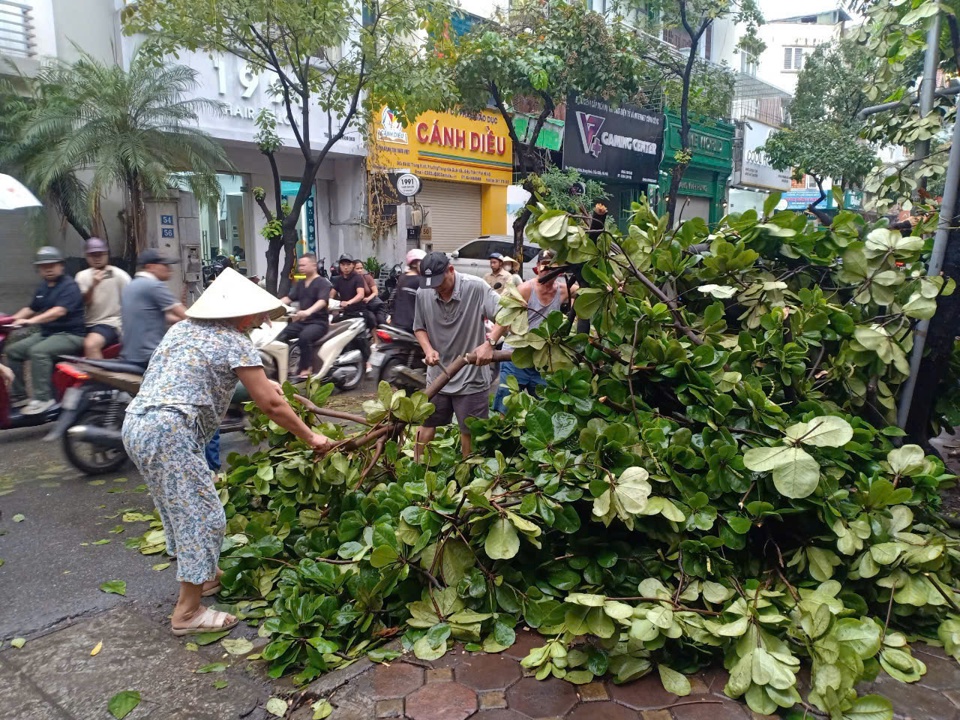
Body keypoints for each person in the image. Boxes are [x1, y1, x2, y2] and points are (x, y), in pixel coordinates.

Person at [122, 268, 333, 636]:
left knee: (175, 508)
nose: (259, 321)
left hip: (138, 425)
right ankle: (187, 613)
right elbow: (270, 405)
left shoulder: (183, 330)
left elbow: (236, 377)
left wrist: (269, 384)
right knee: (205, 517)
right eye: (256, 314)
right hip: (171, 431)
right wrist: (310, 436)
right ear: (240, 313)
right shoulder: (234, 341)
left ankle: (203, 576)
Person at [414, 252, 498, 459]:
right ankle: (414, 469)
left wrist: (490, 343)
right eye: (430, 284)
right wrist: (428, 350)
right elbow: (419, 327)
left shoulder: (476, 287)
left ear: (451, 270)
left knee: (470, 431)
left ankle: (467, 476)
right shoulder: (423, 292)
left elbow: (507, 314)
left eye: (439, 282)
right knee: (426, 423)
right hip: (438, 376)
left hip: (471, 376)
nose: (435, 288)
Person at [5, 247, 86, 415]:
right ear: (38, 269)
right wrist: (10, 321)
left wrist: (30, 321)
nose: (48, 268)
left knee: (38, 352)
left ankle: (44, 399)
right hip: (47, 334)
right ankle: (20, 396)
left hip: (70, 335)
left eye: (52, 264)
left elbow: (59, 311)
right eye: (44, 266)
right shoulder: (43, 287)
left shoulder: (69, 286)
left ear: (61, 266)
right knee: (12, 351)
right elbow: (31, 308)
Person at [490, 250, 571, 413]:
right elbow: (503, 319)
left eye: (552, 266)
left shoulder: (562, 290)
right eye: (544, 265)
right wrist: (490, 343)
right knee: (505, 408)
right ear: (537, 267)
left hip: (542, 359)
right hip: (515, 356)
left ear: (559, 270)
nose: (548, 270)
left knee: (547, 407)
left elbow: (582, 289)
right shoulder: (526, 289)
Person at [119, 249, 187, 368]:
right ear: (150, 267)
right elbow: (185, 314)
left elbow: (151, 315)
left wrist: (178, 321)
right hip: (150, 355)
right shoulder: (154, 286)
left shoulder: (131, 285)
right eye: (165, 265)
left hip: (130, 354)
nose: (170, 269)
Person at [277, 253, 332, 378]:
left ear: (313, 265)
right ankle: (283, 367)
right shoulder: (301, 283)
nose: (300, 268)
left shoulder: (322, 283)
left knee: (304, 337)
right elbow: (289, 298)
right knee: (280, 334)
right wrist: (272, 306)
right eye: (299, 265)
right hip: (302, 322)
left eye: (303, 265)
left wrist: (308, 311)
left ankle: (307, 368)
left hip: (318, 323)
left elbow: (322, 301)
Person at [75, 237, 131, 359]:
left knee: (91, 345)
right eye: (93, 255)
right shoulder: (81, 276)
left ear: (107, 254)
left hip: (110, 323)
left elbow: (131, 301)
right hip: (85, 324)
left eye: (100, 254)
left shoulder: (119, 275)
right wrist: (93, 285)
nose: (97, 258)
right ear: (87, 256)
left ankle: (98, 378)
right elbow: (82, 302)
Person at [391, 249, 425, 332]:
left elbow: (392, 298)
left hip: (396, 322)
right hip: (413, 325)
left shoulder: (402, 277)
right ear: (414, 264)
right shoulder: (420, 281)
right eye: (423, 263)